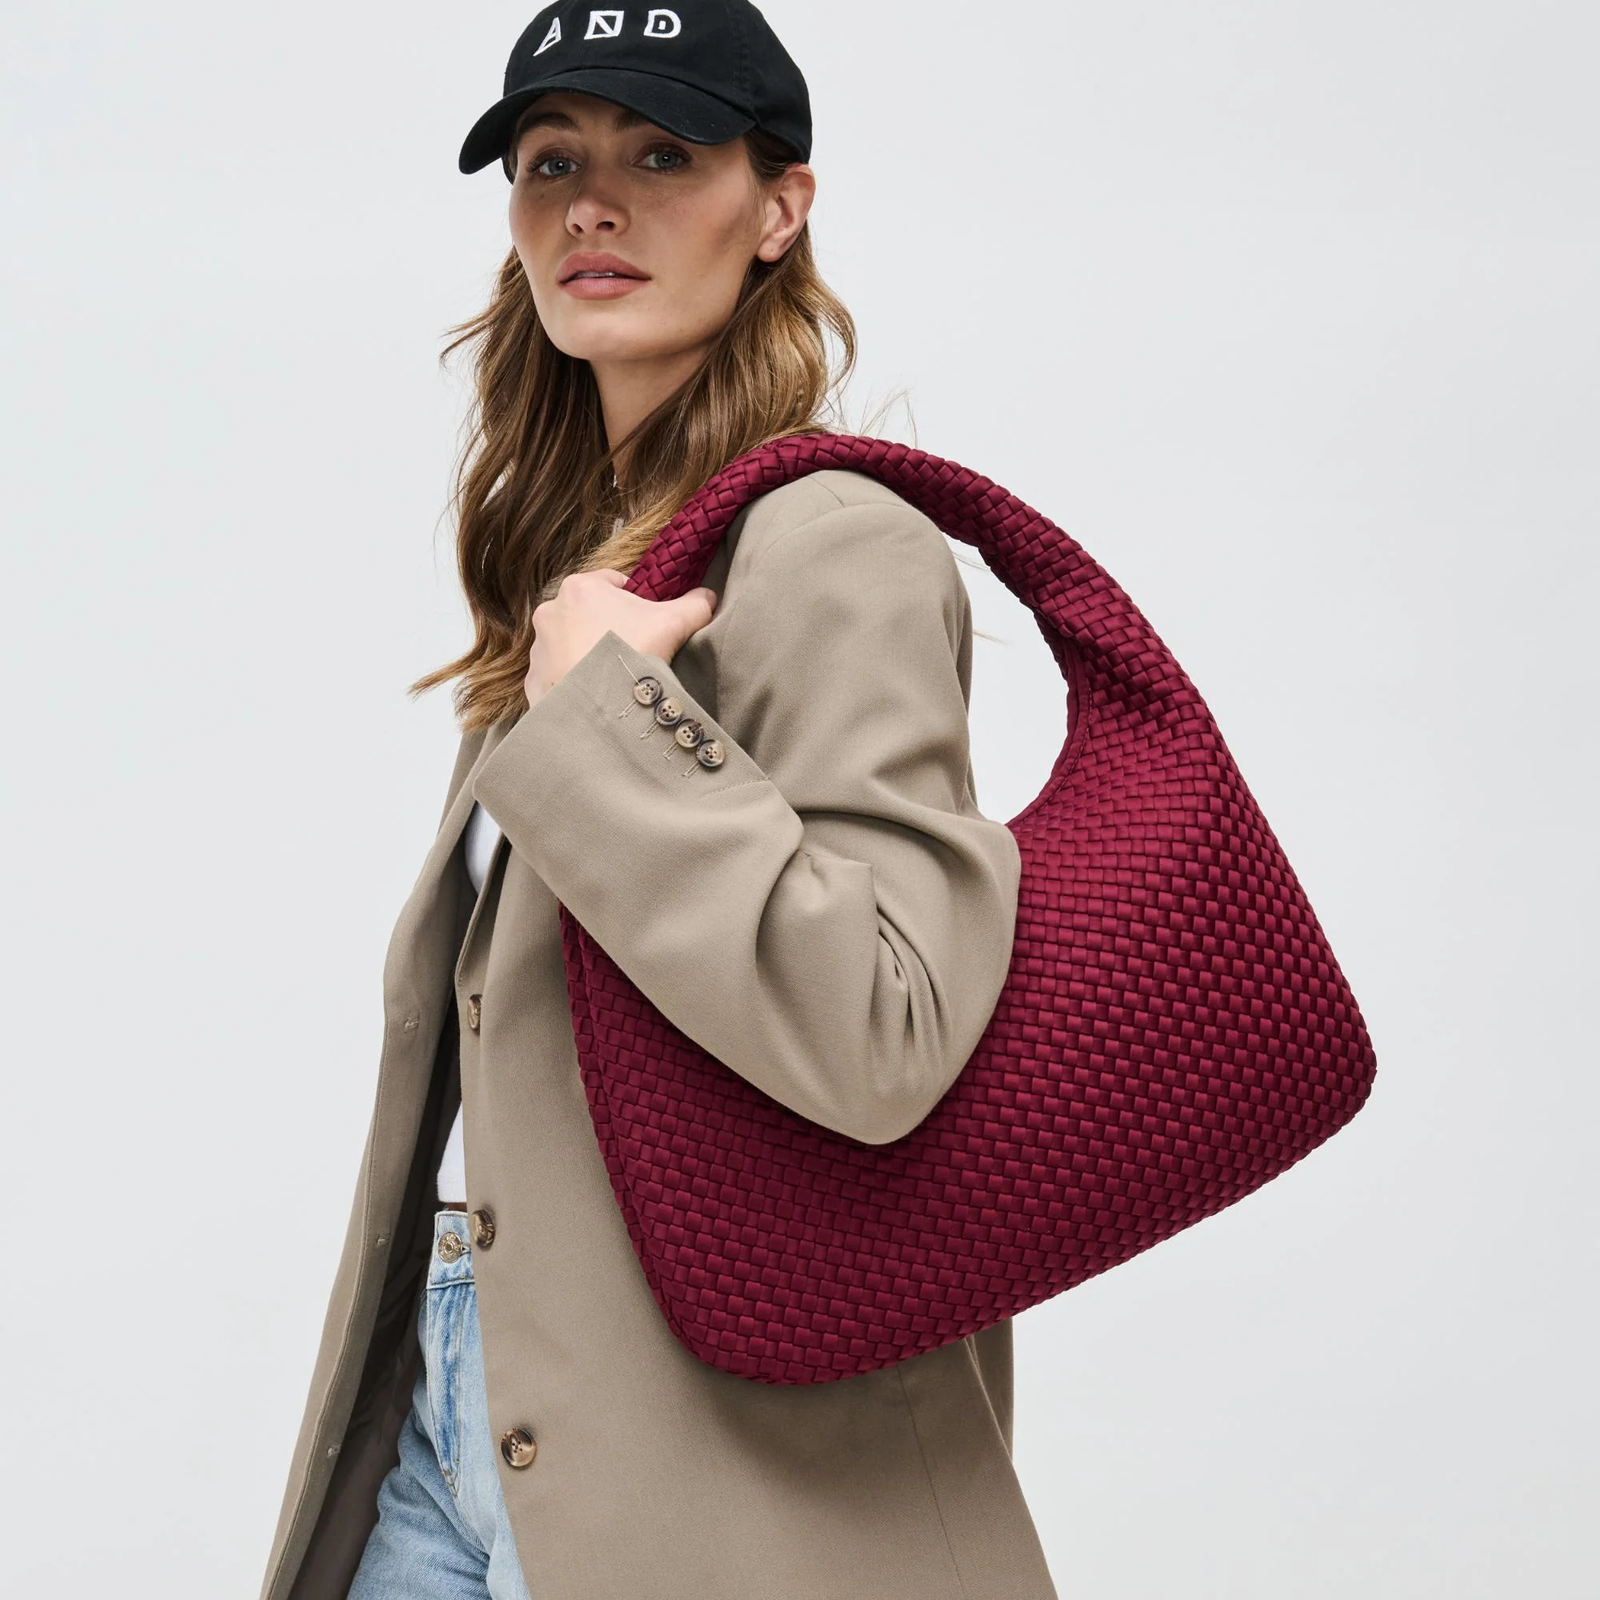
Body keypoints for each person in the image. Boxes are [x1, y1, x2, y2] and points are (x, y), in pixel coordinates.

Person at [259, 3, 1058, 1596]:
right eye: (550, 161)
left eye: (662, 153)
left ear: (782, 207)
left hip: (709, 1442)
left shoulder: (838, 541)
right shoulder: (586, 583)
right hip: (450, 1404)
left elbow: (883, 1033)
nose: (592, 205)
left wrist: (609, 715)